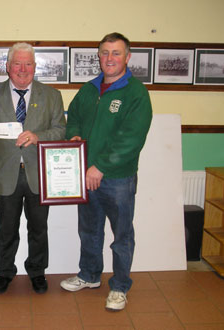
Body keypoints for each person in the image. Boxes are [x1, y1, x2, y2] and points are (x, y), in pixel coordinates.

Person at [60, 32, 152, 311]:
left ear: (127, 57)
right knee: (89, 230)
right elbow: (73, 117)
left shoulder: (136, 94)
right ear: (98, 56)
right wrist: (74, 137)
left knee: (121, 236)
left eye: (116, 53)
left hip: (118, 179)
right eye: (104, 52)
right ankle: (89, 275)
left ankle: (120, 286)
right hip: (86, 176)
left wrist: (100, 167)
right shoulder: (88, 89)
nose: (109, 58)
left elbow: (131, 138)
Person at [0, 42, 66, 294]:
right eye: (17, 63)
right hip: (6, 175)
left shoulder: (52, 95)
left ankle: (37, 272)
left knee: (38, 228)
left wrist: (38, 136)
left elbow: (61, 130)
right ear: (8, 67)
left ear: (35, 67)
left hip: (40, 174)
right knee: (7, 228)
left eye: (28, 64)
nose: (22, 69)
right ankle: (5, 272)